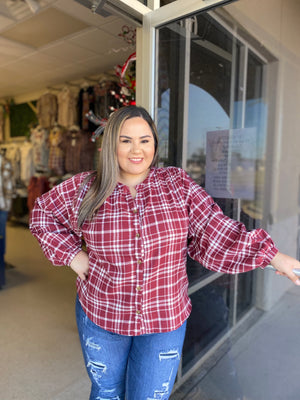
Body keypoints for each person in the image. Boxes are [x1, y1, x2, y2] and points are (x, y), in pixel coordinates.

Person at [29, 105, 300, 400]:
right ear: (111, 144)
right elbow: (43, 214)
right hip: (102, 312)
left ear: (155, 144)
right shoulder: (85, 188)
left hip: (164, 319)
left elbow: (213, 227)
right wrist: (72, 255)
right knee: (107, 393)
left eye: (145, 140)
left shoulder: (176, 184)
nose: (137, 150)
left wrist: (272, 255)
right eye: (125, 140)